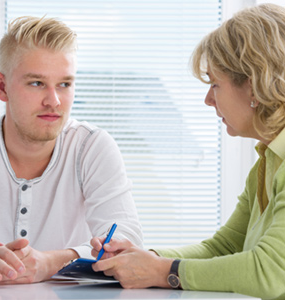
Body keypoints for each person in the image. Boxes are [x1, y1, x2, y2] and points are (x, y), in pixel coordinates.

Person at [90, 4, 285, 300]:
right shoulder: (268, 162)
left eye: (215, 84)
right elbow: (222, 248)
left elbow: (269, 272)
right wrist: (144, 257)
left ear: (254, 85)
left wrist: (161, 272)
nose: (208, 100)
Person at [0, 16, 143, 287]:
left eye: (65, 84)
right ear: (2, 87)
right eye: (37, 83)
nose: (53, 101)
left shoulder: (92, 146)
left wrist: (49, 263)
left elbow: (128, 245)